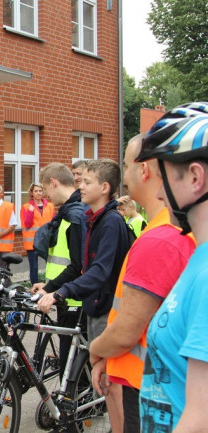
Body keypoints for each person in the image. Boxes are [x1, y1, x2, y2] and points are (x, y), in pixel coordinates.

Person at [88, 133, 195, 432]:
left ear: (144, 170)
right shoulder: (174, 228)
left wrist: (96, 349)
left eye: (126, 165)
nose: (124, 176)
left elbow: (127, 330)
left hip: (147, 386)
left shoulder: (159, 239)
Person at [38, 158, 131, 433]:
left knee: (111, 385)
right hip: (94, 305)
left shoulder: (110, 222)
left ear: (105, 187)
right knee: (102, 380)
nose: (80, 186)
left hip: (107, 309)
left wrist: (62, 292)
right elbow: (81, 267)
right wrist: (52, 287)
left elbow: (100, 271)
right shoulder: (93, 219)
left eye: (87, 182)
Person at [131, 102, 208, 432]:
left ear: (195, 177)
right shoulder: (198, 258)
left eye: (163, 178)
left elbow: (201, 418)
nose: (159, 194)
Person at [31, 164, 86, 379]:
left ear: (54, 182)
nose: (46, 195)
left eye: (46, 189)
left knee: (70, 368)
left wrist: (51, 289)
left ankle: (75, 398)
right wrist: (49, 285)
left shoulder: (74, 215)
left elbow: (77, 265)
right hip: (64, 296)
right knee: (69, 362)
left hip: (73, 300)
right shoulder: (68, 212)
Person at [20, 182, 54, 284]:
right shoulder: (26, 207)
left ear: (43, 192)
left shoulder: (50, 206)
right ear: (31, 193)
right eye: (36, 191)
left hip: (46, 241)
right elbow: (27, 224)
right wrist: (30, 212)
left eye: (40, 191)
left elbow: (53, 223)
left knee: (50, 264)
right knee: (34, 266)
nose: (38, 193)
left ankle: (50, 285)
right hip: (32, 242)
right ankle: (35, 287)